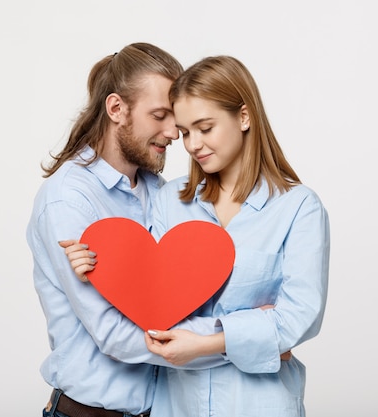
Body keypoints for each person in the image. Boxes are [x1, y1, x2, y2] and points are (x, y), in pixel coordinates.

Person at [64, 55, 330, 416]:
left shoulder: (299, 208)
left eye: (205, 128)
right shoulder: (168, 200)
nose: (192, 144)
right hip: (177, 407)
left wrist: (204, 343)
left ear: (244, 116)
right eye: (186, 132)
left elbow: (300, 319)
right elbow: (150, 312)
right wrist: (253, 337)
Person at [27, 42, 193, 417]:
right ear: (117, 109)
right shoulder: (68, 200)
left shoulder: (159, 192)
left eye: (176, 117)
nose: (173, 132)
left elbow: (177, 296)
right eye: (160, 115)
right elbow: (114, 333)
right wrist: (223, 345)